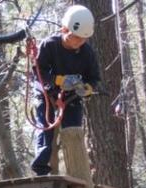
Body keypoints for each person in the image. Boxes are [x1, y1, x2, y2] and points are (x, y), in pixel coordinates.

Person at [30, 5, 100, 176]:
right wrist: (59, 80)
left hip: (71, 97)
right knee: (45, 129)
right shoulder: (49, 45)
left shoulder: (87, 52)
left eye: (82, 39)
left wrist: (87, 88)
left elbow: (94, 78)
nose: (78, 42)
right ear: (64, 29)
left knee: (73, 132)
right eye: (73, 37)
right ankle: (41, 170)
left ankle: (77, 171)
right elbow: (38, 72)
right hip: (46, 94)